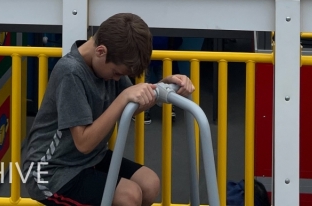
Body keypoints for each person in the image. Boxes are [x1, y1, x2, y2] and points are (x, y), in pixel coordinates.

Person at [22, 13, 193, 206]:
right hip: (50, 171)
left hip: (90, 158)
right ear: (101, 51)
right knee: (129, 196)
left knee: (149, 183)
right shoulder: (70, 72)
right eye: (117, 73)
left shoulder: (107, 67)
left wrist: (164, 87)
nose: (117, 79)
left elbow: (132, 105)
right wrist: (121, 99)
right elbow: (84, 143)